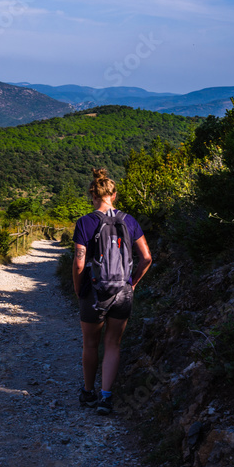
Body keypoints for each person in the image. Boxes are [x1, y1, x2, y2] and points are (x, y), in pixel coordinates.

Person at [72, 168, 152, 415]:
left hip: (94, 294)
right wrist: (133, 283)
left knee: (90, 344)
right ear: (114, 195)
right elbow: (147, 257)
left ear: (92, 195)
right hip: (122, 292)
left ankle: (88, 393)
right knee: (113, 344)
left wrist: (78, 289)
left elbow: (78, 263)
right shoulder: (130, 221)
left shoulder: (85, 222)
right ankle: (106, 398)